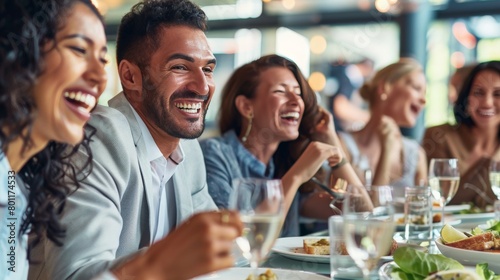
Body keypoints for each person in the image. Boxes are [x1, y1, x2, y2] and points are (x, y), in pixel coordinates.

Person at [28, 1, 242, 280]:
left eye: (208, 69)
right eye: (180, 67)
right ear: (131, 77)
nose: (202, 87)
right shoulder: (98, 137)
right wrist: (167, 260)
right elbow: (74, 275)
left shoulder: (187, 148)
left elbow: (222, 253)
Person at [200, 54, 371, 237]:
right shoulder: (213, 154)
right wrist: (296, 175)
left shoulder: (285, 161)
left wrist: (331, 140)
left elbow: (362, 214)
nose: (296, 101)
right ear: (246, 107)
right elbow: (240, 241)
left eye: (298, 93)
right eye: (280, 91)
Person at [0, 0, 107, 279]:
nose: (100, 75)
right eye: (79, 50)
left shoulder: (14, 186)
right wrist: (149, 268)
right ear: (20, 52)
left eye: (103, 59)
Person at [337, 58, 428, 198]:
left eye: (424, 93)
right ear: (385, 87)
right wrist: (387, 149)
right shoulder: (342, 146)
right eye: (416, 88)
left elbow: (426, 212)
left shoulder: (415, 154)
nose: (423, 100)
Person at [422, 61, 500, 209]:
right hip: (449, 231)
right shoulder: (440, 137)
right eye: (478, 92)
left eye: (498, 94)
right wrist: (484, 165)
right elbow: (439, 202)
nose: (487, 103)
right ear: (466, 97)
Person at [327, 58, 374, 132]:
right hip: (336, 128)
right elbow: (341, 108)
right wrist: (368, 117)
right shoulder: (349, 76)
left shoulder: (346, 74)